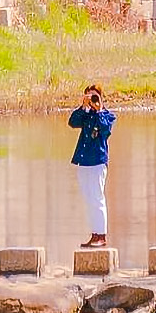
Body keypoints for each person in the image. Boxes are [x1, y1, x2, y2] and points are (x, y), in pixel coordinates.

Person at [68, 84, 116, 248]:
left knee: (97, 198)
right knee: (89, 200)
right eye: (90, 96)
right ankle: (94, 234)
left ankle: (101, 235)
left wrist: (99, 108)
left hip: (97, 162)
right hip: (83, 161)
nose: (93, 100)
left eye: (95, 96)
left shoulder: (107, 116)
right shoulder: (85, 115)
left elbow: (105, 129)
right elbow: (72, 122)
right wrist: (84, 106)